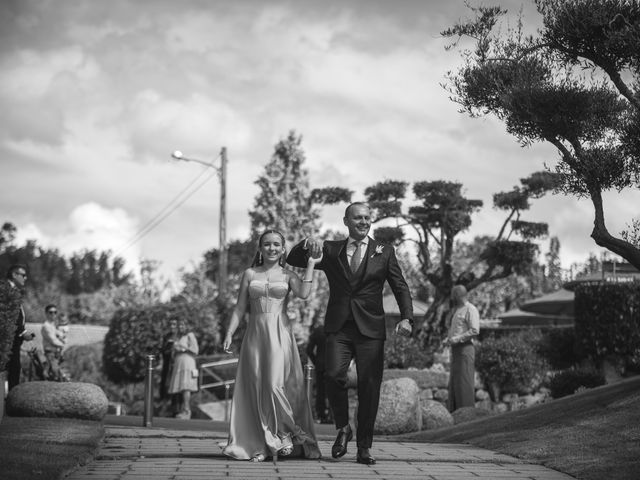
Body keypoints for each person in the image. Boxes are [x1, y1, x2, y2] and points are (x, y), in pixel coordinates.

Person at [287, 202, 414, 465]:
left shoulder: (385, 251)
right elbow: (294, 259)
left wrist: (407, 318)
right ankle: (343, 428)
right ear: (346, 221)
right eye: (358, 218)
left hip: (371, 329)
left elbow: (400, 286)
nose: (364, 222)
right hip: (339, 327)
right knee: (333, 375)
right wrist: (306, 243)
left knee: (369, 387)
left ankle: (364, 447)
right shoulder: (331, 250)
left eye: (367, 218)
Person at [222, 229, 322, 463]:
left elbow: (305, 294)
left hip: (279, 334)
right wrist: (229, 332)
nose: (272, 248)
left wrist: (310, 264)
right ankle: (262, 443)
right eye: (267, 244)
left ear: (283, 248)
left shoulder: (288, 276)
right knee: (257, 387)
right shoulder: (249, 274)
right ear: (260, 248)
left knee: (274, 385)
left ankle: (284, 435)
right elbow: (239, 308)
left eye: (276, 244)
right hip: (255, 335)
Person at [443, 284, 480, 412]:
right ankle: (455, 413)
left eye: (454, 295)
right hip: (456, 350)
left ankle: (467, 414)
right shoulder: (457, 310)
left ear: (458, 295)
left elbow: (475, 330)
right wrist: (448, 339)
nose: (452, 298)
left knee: (464, 383)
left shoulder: (471, 309)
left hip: (465, 350)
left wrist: (457, 339)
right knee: (455, 384)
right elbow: (457, 331)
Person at [1, 264, 35, 390]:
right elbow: (7, 315)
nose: (25, 278)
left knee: (14, 370)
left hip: (12, 338)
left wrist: (23, 331)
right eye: (23, 275)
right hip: (7, 340)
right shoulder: (6, 289)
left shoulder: (13, 289)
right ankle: (9, 404)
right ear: (14, 275)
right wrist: (21, 332)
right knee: (12, 370)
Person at [167, 319, 199, 419]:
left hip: (187, 363)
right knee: (181, 387)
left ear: (187, 326)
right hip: (179, 363)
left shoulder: (190, 335)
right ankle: (183, 410)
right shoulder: (178, 337)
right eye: (180, 325)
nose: (180, 327)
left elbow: (195, 350)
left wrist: (182, 348)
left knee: (186, 387)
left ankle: (187, 411)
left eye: (183, 325)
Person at [306, 322, 331, 423]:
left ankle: (321, 415)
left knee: (320, 392)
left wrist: (316, 361)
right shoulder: (338, 330)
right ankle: (333, 415)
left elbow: (309, 350)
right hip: (334, 364)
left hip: (320, 364)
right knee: (334, 391)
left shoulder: (318, 331)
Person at [159, 317, 180, 415]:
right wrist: (169, 346)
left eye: (174, 324)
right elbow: (162, 350)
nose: (172, 326)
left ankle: (175, 408)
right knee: (165, 385)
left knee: (176, 386)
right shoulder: (166, 337)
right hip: (167, 366)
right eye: (170, 324)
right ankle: (163, 406)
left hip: (177, 365)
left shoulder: (180, 336)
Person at [41, 304, 65, 381]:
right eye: (50, 312)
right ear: (46, 313)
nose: (53, 314)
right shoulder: (46, 326)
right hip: (50, 354)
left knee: (62, 374)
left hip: (56, 353)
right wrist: (62, 345)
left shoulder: (53, 325)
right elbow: (53, 340)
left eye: (55, 312)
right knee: (55, 374)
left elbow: (60, 335)